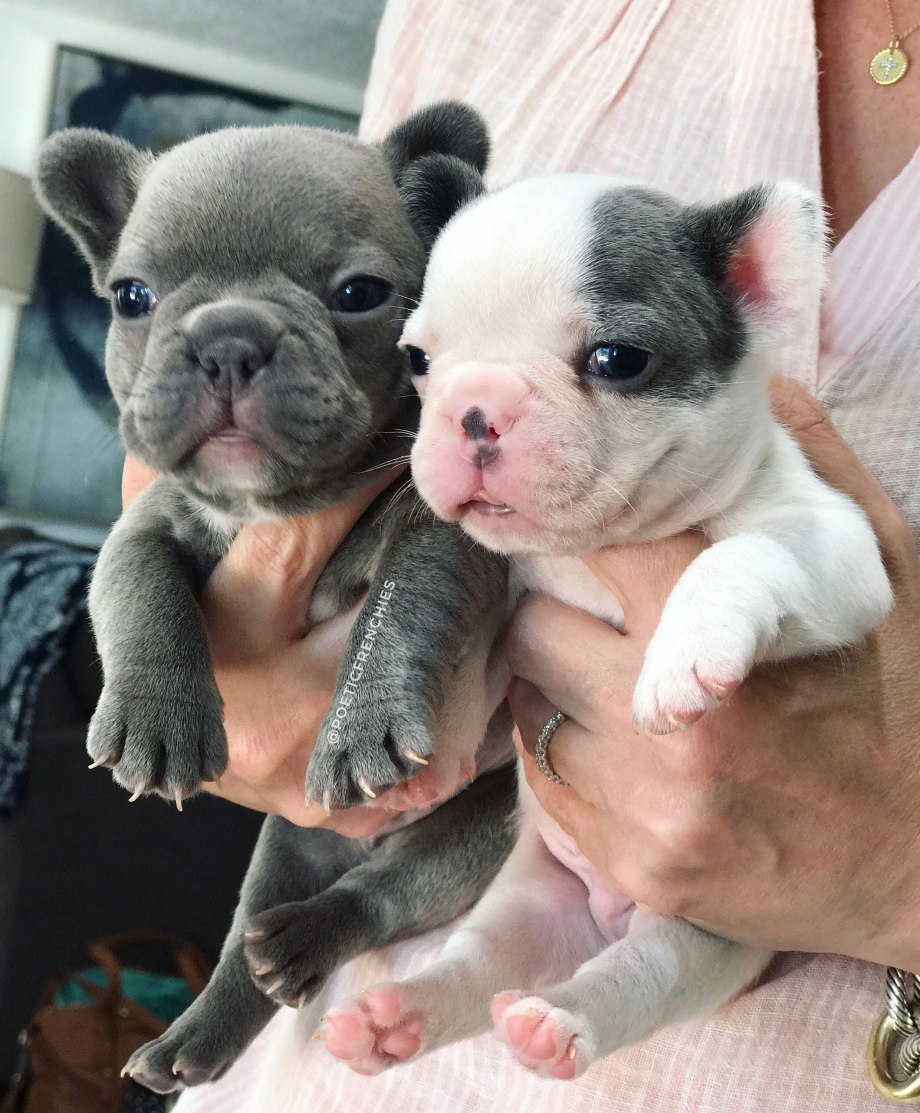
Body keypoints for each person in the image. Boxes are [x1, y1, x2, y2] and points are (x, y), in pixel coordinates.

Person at [156, 0, 920, 1107]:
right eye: (429, 364)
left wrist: (896, 869)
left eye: (607, 360)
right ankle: (447, 1001)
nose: (474, 421)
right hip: (330, 1071)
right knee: (519, 917)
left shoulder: (759, 485)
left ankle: (578, 1004)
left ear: (755, 277)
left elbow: (826, 563)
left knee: (658, 954)